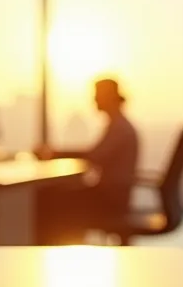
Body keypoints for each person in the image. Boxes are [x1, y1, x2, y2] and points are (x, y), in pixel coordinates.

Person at [34, 78, 140, 243]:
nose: (94, 100)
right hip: (113, 195)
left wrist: (54, 154)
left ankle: (52, 249)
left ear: (109, 97)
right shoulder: (119, 125)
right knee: (59, 195)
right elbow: (95, 155)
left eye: (97, 95)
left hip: (110, 199)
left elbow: (94, 156)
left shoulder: (119, 128)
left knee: (49, 199)